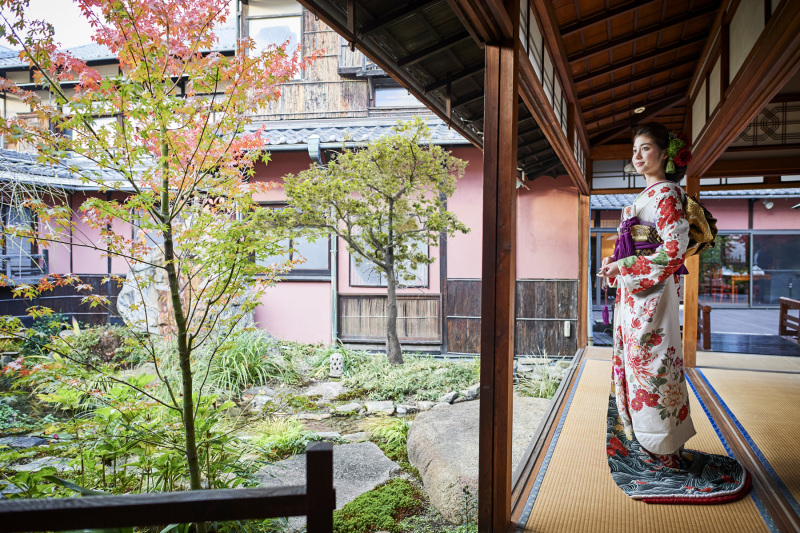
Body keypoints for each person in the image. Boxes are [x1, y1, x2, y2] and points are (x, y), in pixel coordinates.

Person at [598, 122, 694, 468]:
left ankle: (664, 448)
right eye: (635, 149)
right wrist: (616, 263)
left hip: (651, 295)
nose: (637, 156)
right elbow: (632, 246)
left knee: (652, 365)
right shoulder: (645, 197)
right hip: (635, 294)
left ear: (665, 154)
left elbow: (674, 248)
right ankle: (646, 441)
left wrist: (623, 267)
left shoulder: (667, 194)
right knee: (634, 362)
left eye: (646, 148)